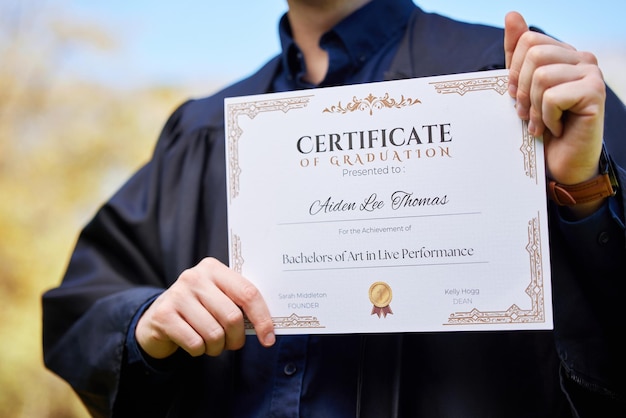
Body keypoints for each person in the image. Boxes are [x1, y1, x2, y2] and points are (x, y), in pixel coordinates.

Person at [42, 0, 626, 416]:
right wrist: (148, 322)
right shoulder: (202, 131)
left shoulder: (521, 84)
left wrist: (585, 194)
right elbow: (82, 308)